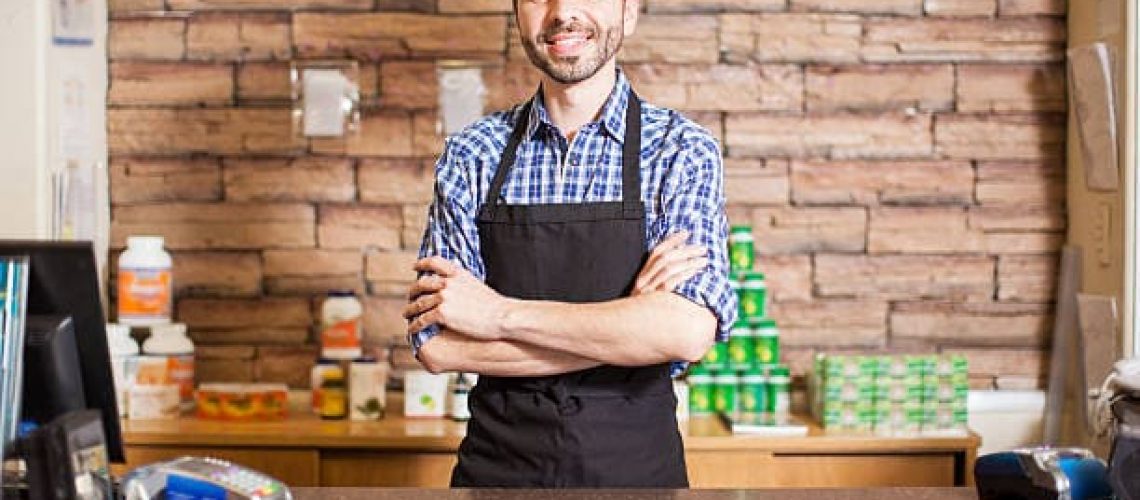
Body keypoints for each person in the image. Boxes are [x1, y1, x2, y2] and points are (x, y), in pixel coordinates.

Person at [402, 0, 736, 488]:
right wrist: (630, 325)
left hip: (638, 479)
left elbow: (685, 332)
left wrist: (498, 315)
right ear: (517, 13)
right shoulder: (473, 152)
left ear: (629, 12)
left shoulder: (681, 149)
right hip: (496, 476)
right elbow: (439, 346)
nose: (563, 12)